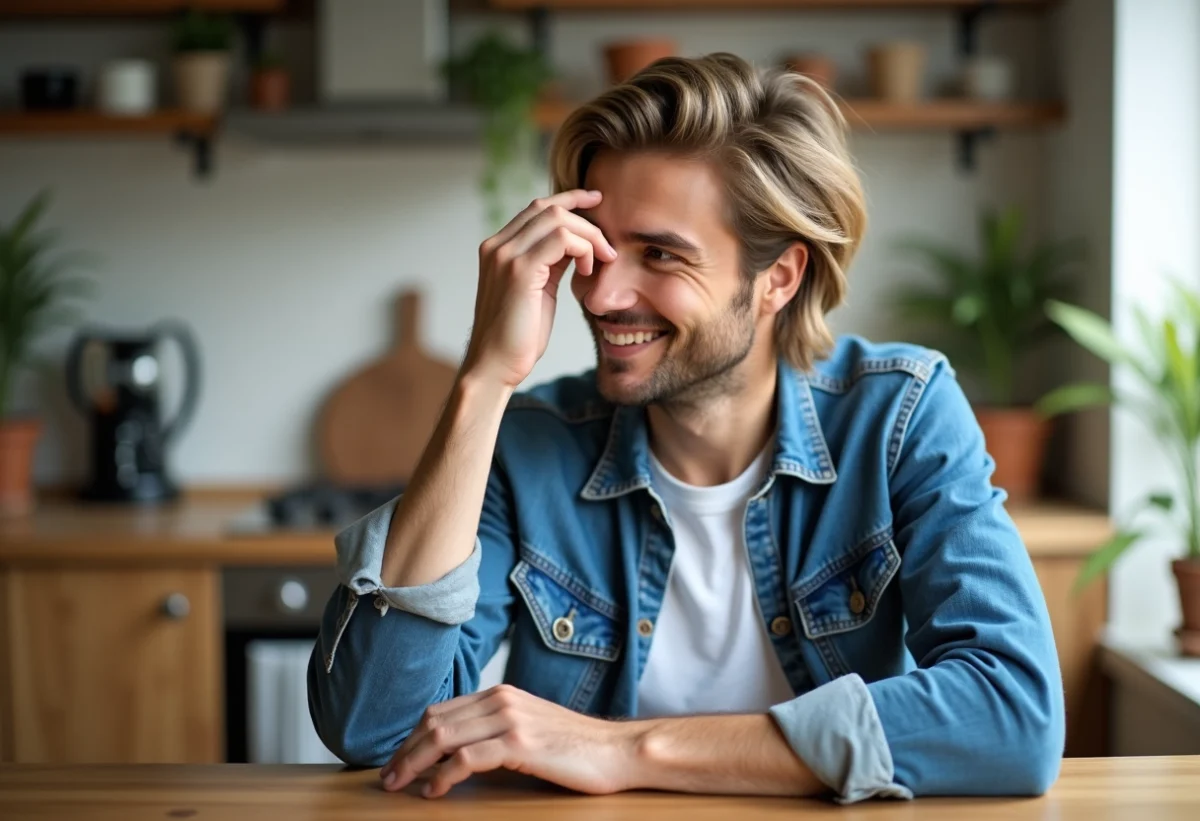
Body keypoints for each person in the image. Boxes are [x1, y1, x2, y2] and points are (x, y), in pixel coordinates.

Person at [308, 52, 1064, 803]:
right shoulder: (531, 442)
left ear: (779, 277)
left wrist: (625, 749)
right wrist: (483, 380)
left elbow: (1011, 716)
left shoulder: (899, 415)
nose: (601, 294)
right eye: (596, 248)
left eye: (660, 254)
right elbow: (376, 729)